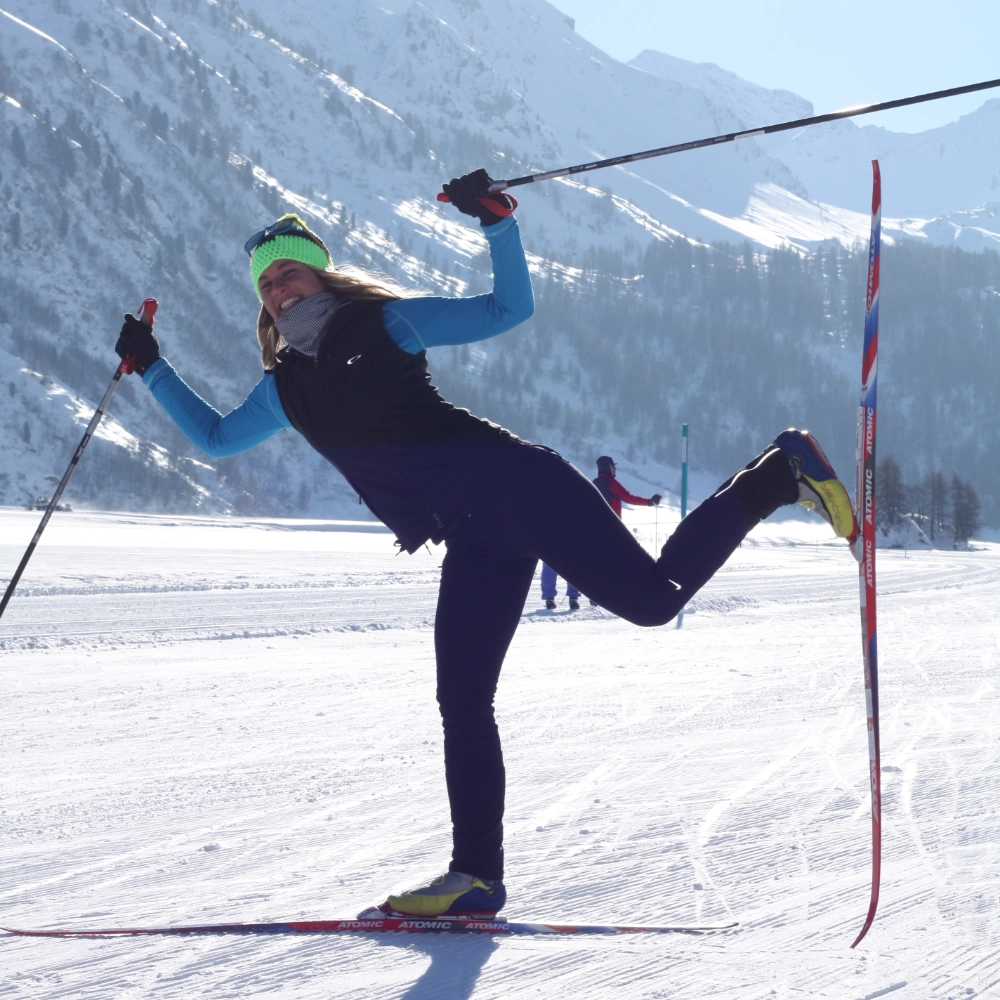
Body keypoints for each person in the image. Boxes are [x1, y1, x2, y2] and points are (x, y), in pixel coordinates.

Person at [115, 168, 859, 921]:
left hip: (517, 484)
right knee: (462, 698)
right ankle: (476, 877)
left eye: (290, 271)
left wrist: (498, 222)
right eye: (265, 283)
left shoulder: (384, 325)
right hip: (473, 531)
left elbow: (510, 307)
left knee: (654, 602)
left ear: (321, 272)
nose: (278, 288)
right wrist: (151, 366)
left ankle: (778, 471)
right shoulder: (284, 389)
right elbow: (213, 437)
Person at [593, 455, 661, 518]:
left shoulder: (594, 483)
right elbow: (629, 498)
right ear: (608, 467)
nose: (615, 469)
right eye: (613, 466)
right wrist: (650, 502)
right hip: (611, 525)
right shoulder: (611, 483)